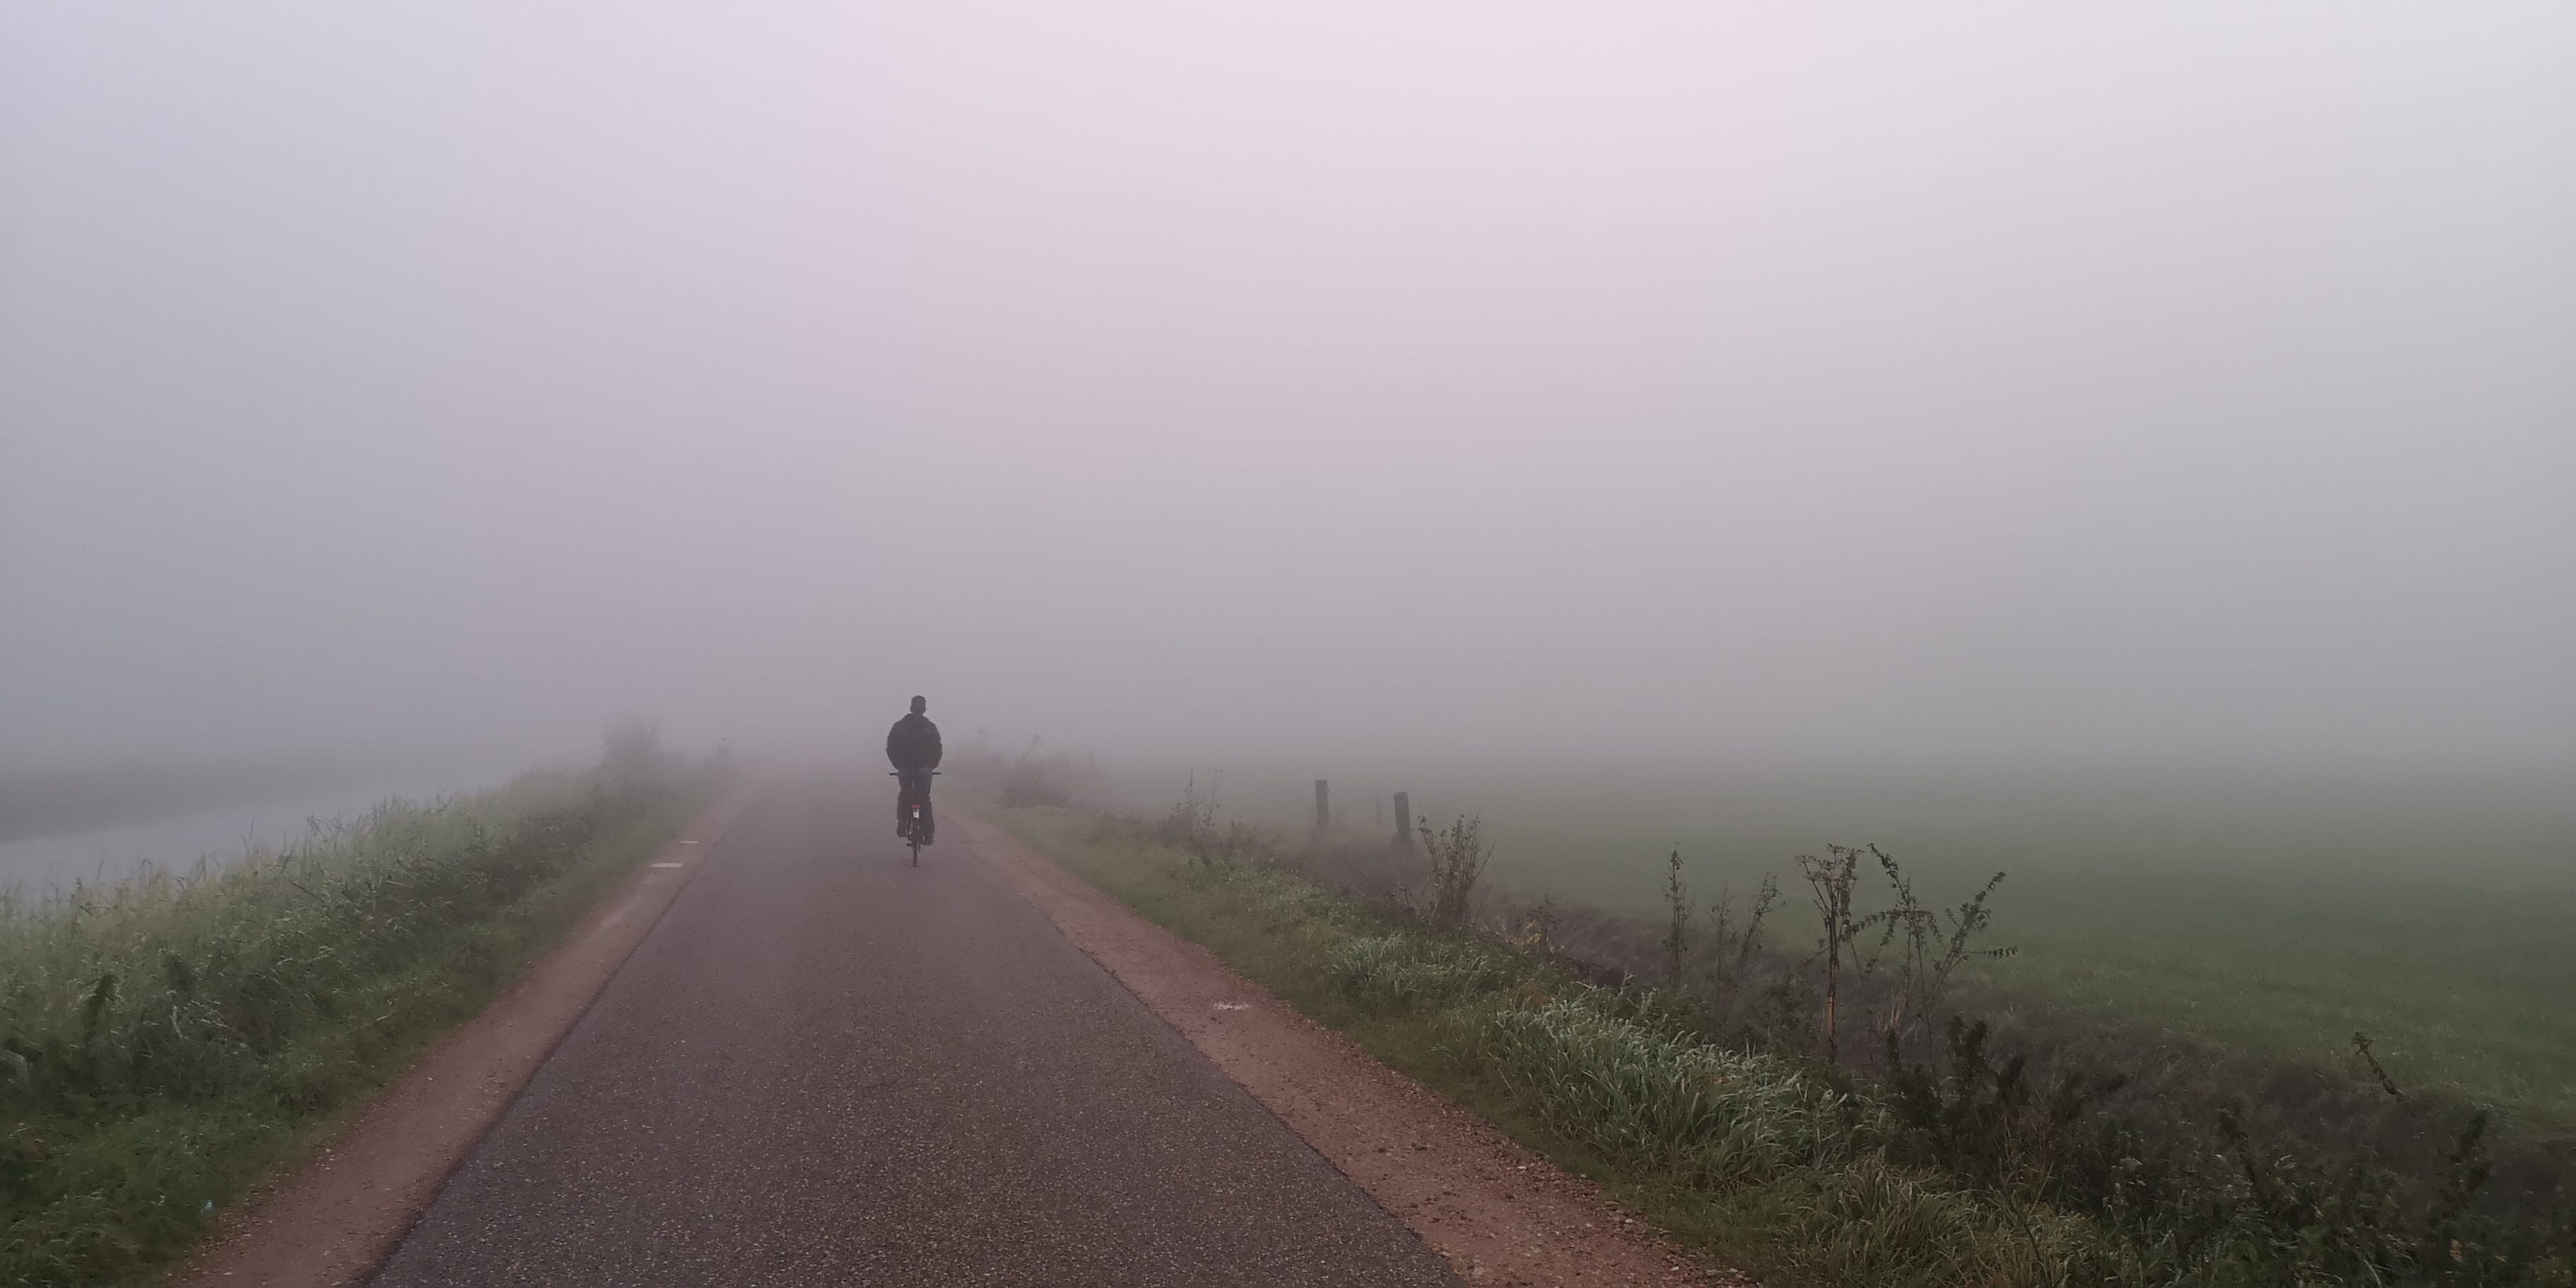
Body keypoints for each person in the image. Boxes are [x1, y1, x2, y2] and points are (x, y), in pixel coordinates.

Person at [886, 695, 943, 842]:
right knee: (924, 799)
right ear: (924, 709)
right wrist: (931, 766)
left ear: (911, 708)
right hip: (925, 770)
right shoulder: (930, 727)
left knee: (904, 795)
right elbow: (938, 749)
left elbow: (891, 747)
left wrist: (898, 765)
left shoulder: (899, 726)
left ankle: (902, 823)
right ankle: (928, 833)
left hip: (905, 769)